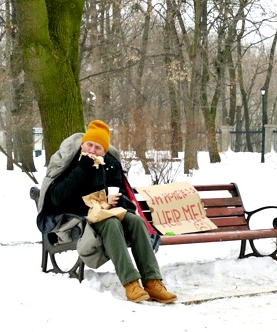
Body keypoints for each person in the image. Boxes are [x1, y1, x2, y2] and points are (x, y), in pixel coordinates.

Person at [36, 120, 177, 303]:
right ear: (83, 144)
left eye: (98, 148)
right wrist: (83, 169)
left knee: (136, 221)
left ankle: (153, 281)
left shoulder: (110, 164)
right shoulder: (71, 163)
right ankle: (131, 283)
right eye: (89, 145)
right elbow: (57, 198)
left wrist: (115, 201)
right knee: (111, 224)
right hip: (77, 217)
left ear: (104, 151)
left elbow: (124, 195)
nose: (92, 151)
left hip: (108, 211)